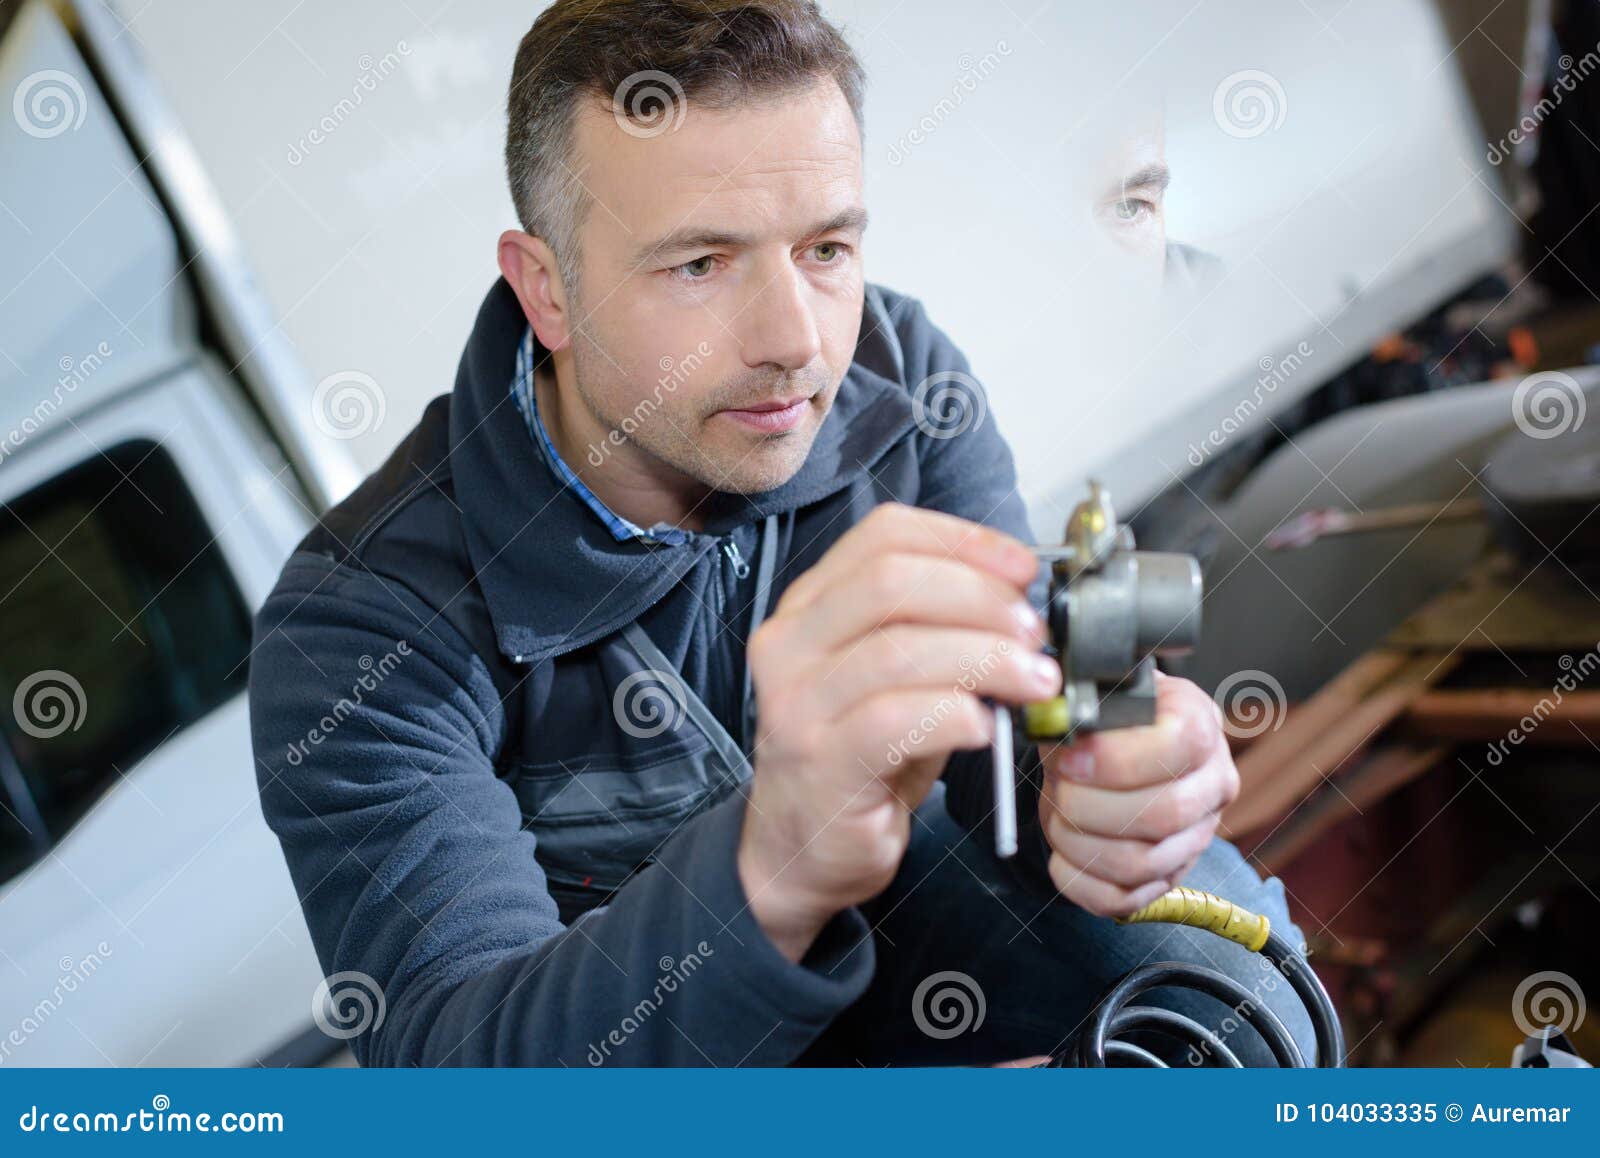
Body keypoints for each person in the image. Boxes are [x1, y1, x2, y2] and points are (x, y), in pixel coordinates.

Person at [248, 0, 1313, 1067]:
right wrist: (773, 870)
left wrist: (1104, 779)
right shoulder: (358, 631)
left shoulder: (900, 377)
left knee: (1230, 1006)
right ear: (548, 290)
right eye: (699, 265)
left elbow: (1017, 727)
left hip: (917, 948)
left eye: (825, 247)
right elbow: (467, 1082)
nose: (795, 343)